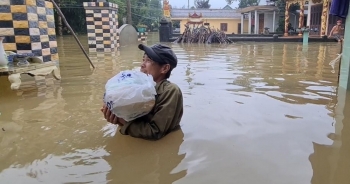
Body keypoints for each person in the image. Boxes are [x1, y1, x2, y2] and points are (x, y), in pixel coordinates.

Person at [101, 44, 184, 140]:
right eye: (143, 59)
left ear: (164, 68)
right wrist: (116, 116)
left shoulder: (170, 91)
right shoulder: (137, 87)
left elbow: (155, 132)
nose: (142, 64)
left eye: (148, 60)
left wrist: (123, 121)